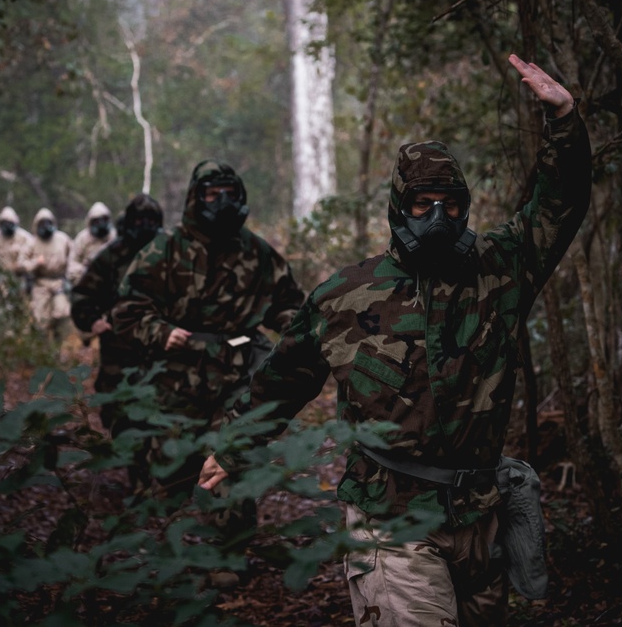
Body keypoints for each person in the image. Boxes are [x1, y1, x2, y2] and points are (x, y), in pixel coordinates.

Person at [198, 54, 592, 626]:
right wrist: (232, 449)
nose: (439, 217)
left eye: (453, 205)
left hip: (480, 517)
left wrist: (565, 120)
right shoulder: (345, 296)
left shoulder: (500, 268)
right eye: (422, 204)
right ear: (397, 206)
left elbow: (559, 204)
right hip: (390, 520)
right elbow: (282, 381)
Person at [112, 160, 304, 507]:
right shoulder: (164, 249)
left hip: (238, 372)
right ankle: (169, 548)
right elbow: (127, 309)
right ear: (195, 198)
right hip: (175, 376)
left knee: (231, 460)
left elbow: (287, 305)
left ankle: (227, 554)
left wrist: (298, 341)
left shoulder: (257, 252)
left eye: (229, 194)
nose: (222, 202)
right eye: (212, 195)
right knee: (171, 470)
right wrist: (159, 331)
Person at [70, 193, 164, 404]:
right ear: (130, 221)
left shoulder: (171, 252)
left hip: (163, 344)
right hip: (119, 347)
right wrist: (93, 321)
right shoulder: (111, 256)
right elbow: (83, 294)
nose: (145, 226)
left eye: (151, 220)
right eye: (140, 220)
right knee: (118, 407)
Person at [19, 207, 74, 342]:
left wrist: (70, 276)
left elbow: (74, 256)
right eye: (42, 223)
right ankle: (43, 350)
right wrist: (35, 263)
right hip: (40, 283)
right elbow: (21, 264)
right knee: (41, 319)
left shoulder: (62, 239)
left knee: (62, 314)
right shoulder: (31, 242)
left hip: (59, 282)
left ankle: (59, 343)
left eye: (48, 223)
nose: (45, 226)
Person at [0, 206, 34, 297]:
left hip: (19, 277)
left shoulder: (24, 237)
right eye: (5, 223)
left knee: (20, 301)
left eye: (10, 223)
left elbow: (34, 253)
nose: (8, 226)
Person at [68, 201, 117, 285]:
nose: (101, 224)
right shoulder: (82, 238)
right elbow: (72, 263)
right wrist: (86, 272)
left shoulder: (114, 236)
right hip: (87, 281)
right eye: (97, 221)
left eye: (104, 220)